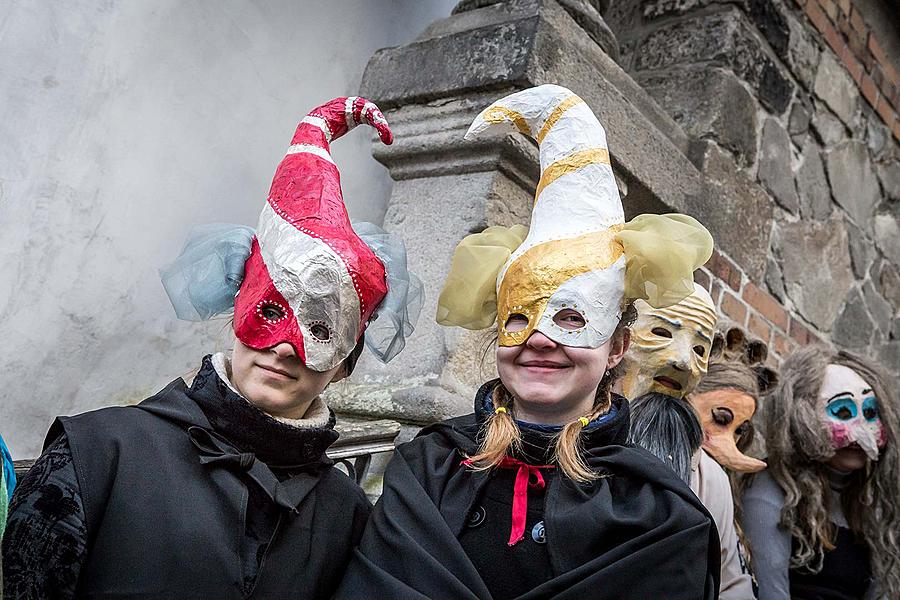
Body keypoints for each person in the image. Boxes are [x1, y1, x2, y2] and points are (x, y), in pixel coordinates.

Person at [2, 96, 421, 598]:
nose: (286, 347)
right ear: (236, 307)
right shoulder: (96, 453)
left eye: (321, 329)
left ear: (347, 363)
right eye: (271, 311)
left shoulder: (348, 515)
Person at [336, 84, 719, 599]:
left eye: (571, 318)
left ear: (617, 347)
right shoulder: (428, 468)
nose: (540, 339)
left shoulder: (659, 514)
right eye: (520, 318)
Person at [623, 291, 756, 599]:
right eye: (661, 333)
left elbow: (731, 584)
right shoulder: (567, 437)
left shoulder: (709, 478)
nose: (683, 361)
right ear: (617, 342)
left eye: (699, 349)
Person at [742, 347, 900, 600]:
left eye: (870, 413)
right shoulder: (770, 488)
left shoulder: (871, 507)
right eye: (843, 412)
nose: (860, 430)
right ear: (801, 418)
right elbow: (769, 592)